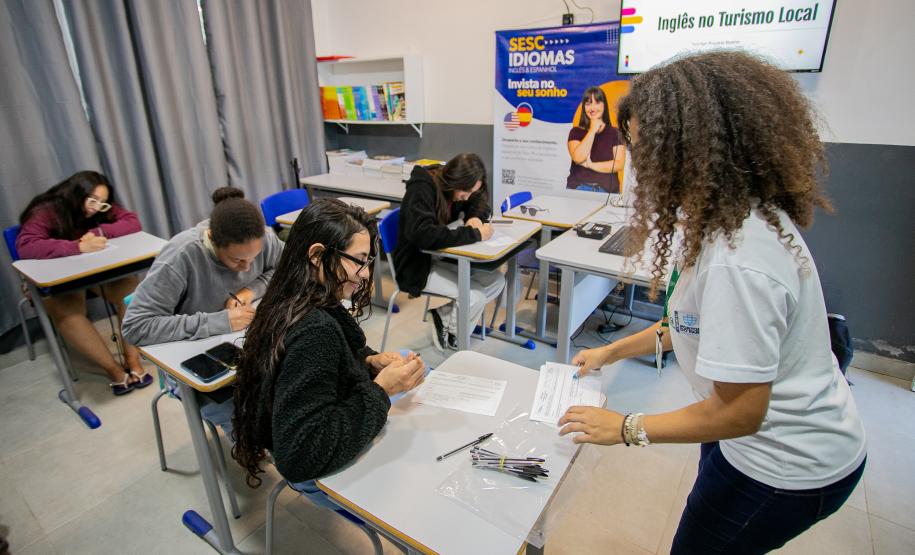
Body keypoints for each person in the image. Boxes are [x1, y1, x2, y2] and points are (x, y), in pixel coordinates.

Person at [557, 51, 866, 554]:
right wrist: (611, 352)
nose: (637, 163)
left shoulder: (739, 258)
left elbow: (741, 412)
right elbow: (691, 324)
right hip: (744, 444)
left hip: (787, 466)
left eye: (646, 148)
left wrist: (626, 428)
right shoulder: (725, 219)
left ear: (694, 149)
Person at [231, 198, 426, 511]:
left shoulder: (294, 295)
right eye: (359, 261)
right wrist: (381, 390)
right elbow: (300, 454)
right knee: (417, 482)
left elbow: (327, 363)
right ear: (318, 255)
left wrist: (369, 362)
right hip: (317, 471)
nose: (365, 274)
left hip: (300, 425)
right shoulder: (314, 331)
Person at [122, 186, 283, 434]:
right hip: (194, 363)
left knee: (289, 388)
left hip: (246, 348)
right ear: (212, 239)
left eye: (254, 258)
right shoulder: (181, 255)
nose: (246, 267)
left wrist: (251, 290)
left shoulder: (265, 237)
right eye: (237, 260)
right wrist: (221, 321)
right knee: (251, 423)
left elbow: (282, 270)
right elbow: (136, 327)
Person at [17, 170, 151, 395]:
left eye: (103, 203)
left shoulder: (99, 207)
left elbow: (132, 222)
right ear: (75, 195)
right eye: (92, 201)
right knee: (69, 313)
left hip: (93, 273)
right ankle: (114, 370)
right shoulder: (47, 210)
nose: (96, 207)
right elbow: (27, 245)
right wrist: (76, 247)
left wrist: (98, 230)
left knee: (133, 292)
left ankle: (132, 359)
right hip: (57, 279)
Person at [394, 153, 505, 351]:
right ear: (455, 180)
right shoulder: (422, 187)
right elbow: (423, 235)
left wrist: (474, 217)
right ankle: (454, 337)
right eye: (466, 191)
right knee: (475, 297)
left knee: (497, 280)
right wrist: (474, 234)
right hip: (416, 264)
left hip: (442, 256)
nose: (466, 197)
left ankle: (443, 316)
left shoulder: (455, 186)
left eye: (472, 191)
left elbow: (480, 203)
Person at [566, 86, 626, 194]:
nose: (593, 108)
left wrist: (590, 165)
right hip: (578, 189)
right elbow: (578, 158)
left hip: (608, 192)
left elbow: (618, 164)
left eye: (597, 102)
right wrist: (592, 130)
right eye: (588, 104)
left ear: (604, 105)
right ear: (584, 107)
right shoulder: (576, 132)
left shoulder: (616, 133)